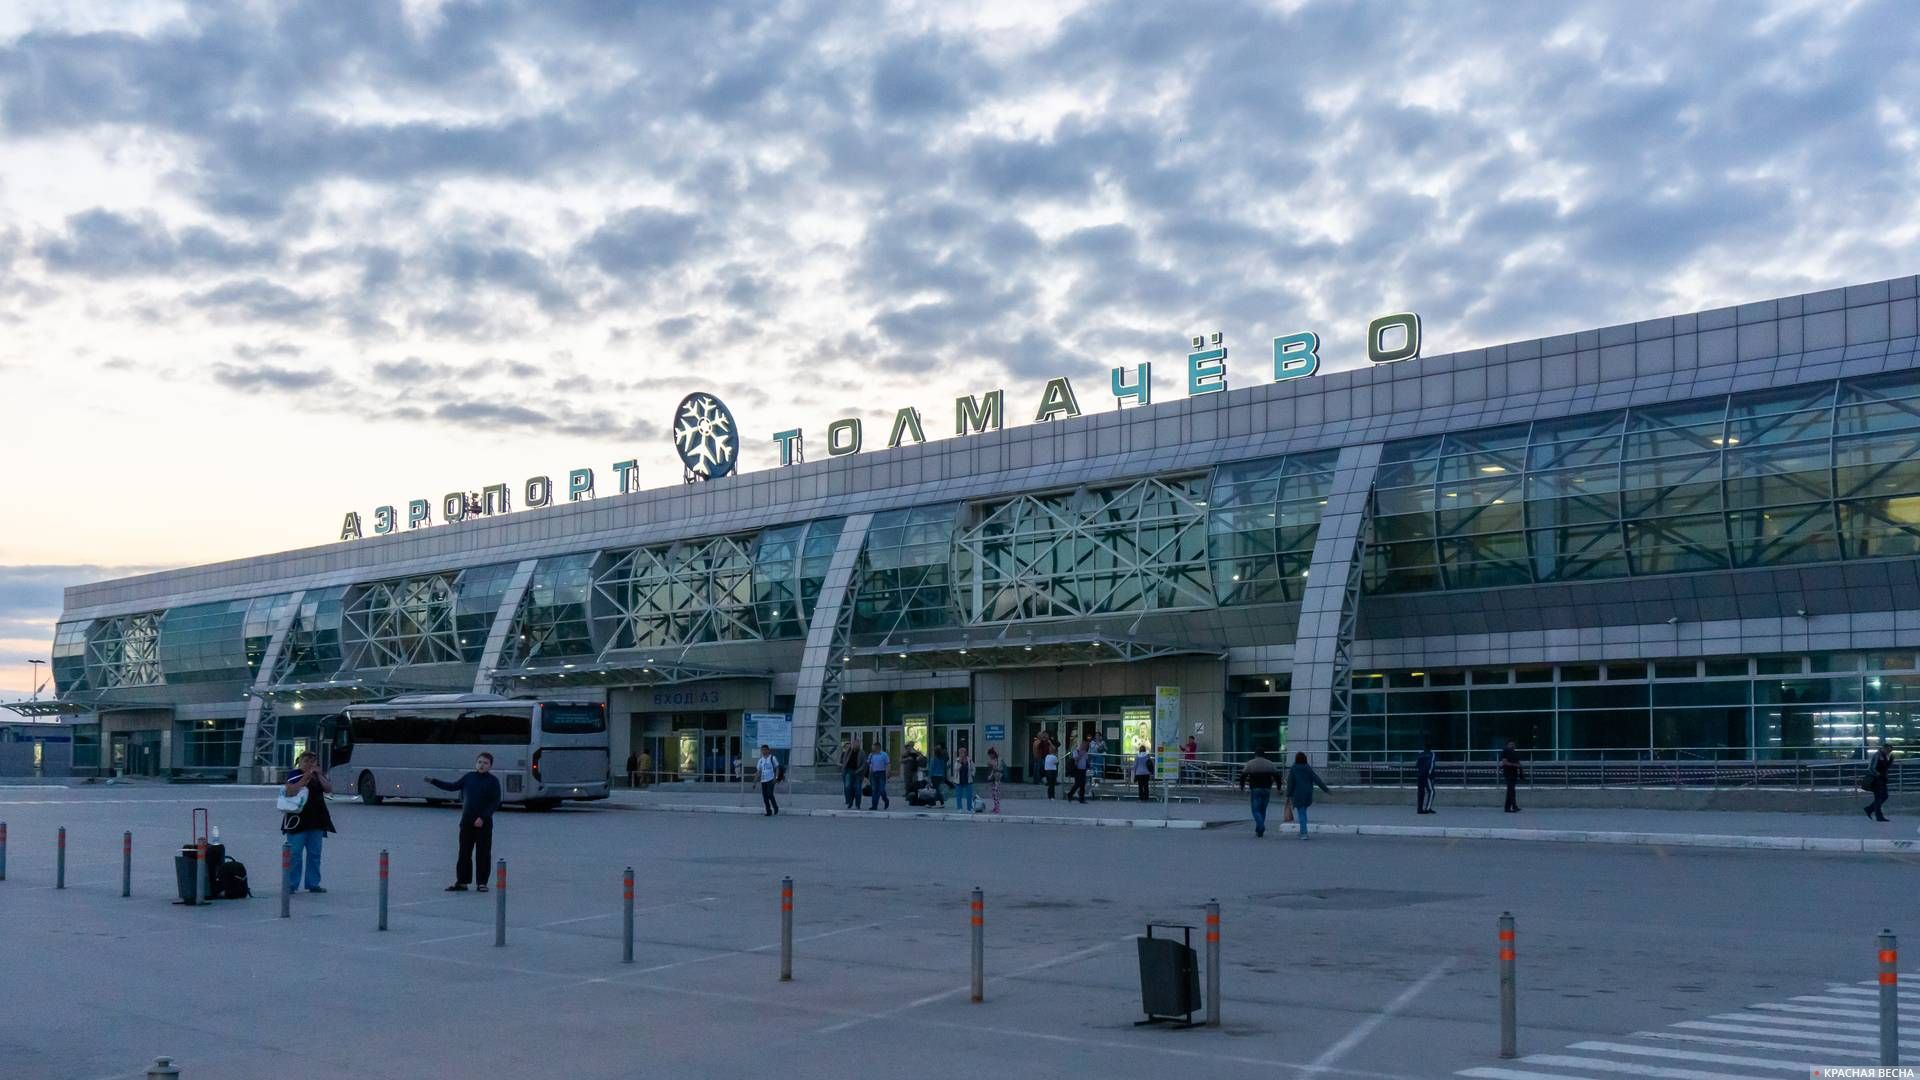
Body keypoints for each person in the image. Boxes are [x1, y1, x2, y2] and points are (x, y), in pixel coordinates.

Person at [428, 752, 503, 891]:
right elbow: (452, 786)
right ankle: (462, 881)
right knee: (464, 852)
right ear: (476, 763)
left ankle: (482, 883)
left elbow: (495, 802)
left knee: (483, 853)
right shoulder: (469, 777)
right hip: (467, 822)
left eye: (485, 763)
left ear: (490, 766)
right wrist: (434, 781)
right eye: (479, 762)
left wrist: (483, 817)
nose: (482, 765)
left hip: (483, 823)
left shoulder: (493, 781)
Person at [280, 750, 335, 894]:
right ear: (300, 762)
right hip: (297, 820)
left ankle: (313, 883)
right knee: (295, 853)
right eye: (306, 761)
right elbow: (291, 790)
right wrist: (306, 776)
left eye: (312, 761)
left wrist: (319, 775)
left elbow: (328, 789)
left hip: (316, 819)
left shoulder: (318, 776)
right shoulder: (294, 774)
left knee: (315, 853)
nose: (309, 764)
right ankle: (291, 884)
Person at [1284, 751, 1330, 839]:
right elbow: (1317, 779)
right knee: (1303, 812)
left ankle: (1304, 833)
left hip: (1298, 794)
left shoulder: (1294, 768)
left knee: (1301, 813)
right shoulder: (1308, 768)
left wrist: (1288, 794)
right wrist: (1326, 789)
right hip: (1308, 794)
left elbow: (1290, 783)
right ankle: (1302, 831)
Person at [1240, 748, 1281, 837]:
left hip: (1255, 789)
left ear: (1256, 755)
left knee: (1255, 810)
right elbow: (1277, 776)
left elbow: (1243, 776)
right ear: (1264, 754)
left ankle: (1261, 826)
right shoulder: (1270, 763)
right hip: (1267, 789)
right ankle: (1259, 829)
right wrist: (1279, 788)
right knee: (1263, 809)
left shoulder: (1250, 763)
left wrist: (1242, 787)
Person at [1865, 741, 1894, 822]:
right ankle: (1878, 815)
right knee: (1879, 797)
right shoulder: (1878, 755)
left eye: (1890, 751)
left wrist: (1890, 761)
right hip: (1877, 779)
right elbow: (1872, 768)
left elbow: (1884, 767)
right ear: (1884, 748)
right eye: (1888, 750)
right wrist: (1878, 775)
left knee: (1883, 796)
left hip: (1881, 779)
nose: (1889, 752)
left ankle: (1870, 809)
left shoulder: (1883, 755)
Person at [756, 744, 782, 816]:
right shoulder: (760, 760)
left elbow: (777, 767)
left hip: (771, 779)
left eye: (765, 750)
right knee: (765, 796)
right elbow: (758, 771)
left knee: (770, 794)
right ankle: (768, 811)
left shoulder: (772, 758)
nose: (764, 751)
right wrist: (755, 782)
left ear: (768, 750)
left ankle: (775, 807)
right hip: (763, 780)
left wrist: (776, 777)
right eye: (762, 750)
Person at [839, 736, 864, 810]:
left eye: (857, 744)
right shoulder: (848, 752)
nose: (855, 745)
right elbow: (844, 761)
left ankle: (857, 804)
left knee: (857, 789)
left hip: (858, 773)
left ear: (859, 745)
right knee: (847, 787)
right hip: (848, 772)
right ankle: (849, 802)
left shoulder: (862, 753)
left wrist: (859, 771)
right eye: (854, 743)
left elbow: (864, 764)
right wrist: (842, 767)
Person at [1500, 740, 1523, 813]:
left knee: (1511, 790)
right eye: (1510, 744)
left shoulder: (1514, 753)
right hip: (1508, 773)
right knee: (1511, 790)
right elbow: (1504, 762)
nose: (1512, 746)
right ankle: (1513, 806)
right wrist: (1515, 765)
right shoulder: (1505, 751)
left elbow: (1518, 762)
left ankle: (1508, 807)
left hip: (1514, 773)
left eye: (1513, 744)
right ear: (1507, 745)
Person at [867, 743, 891, 810]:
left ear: (878, 747)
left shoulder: (884, 754)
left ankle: (886, 800)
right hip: (873, 774)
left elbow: (888, 764)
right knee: (874, 790)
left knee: (881, 789)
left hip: (881, 773)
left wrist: (888, 772)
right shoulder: (871, 755)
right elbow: (869, 764)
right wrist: (869, 775)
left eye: (873, 747)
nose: (872, 748)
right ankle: (874, 806)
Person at [1068, 737, 1092, 804]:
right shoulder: (1076, 751)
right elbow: (1075, 760)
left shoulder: (1085, 753)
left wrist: (1088, 766)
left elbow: (1086, 761)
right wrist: (1080, 754)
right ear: (1081, 745)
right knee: (1077, 783)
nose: (1085, 746)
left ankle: (1081, 798)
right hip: (1077, 769)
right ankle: (1070, 794)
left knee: (1082, 784)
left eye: (1086, 745)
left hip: (1083, 770)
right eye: (1084, 745)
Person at [1416, 744, 1437, 815]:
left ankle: (1419, 809)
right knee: (1431, 791)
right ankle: (1427, 808)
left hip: (1420, 774)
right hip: (1426, 775)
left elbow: (1417, 764)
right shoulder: (1432, 754)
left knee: (1421, 792)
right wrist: (1430, 774)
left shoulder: (1420, 754)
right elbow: (1431, 764)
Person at [953, 747, 975, 813]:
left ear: (965, 753)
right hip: (959, 780)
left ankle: (969, 808)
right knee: (959, 795)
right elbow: (956, 769)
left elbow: (973, 768)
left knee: (969, 795)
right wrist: (960, 762)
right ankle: (959, 808)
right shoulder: (957, 760)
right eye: (960, 752)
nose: (962, 754)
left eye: (963, 752)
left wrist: (972, 774)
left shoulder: (969, 760)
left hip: (968, 779)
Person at [985, 747, 1004, 813]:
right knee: (993, 794)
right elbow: (992, 770)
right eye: (989, 755)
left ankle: (997, 808)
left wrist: (992, 764)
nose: (990, 756)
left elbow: (997, 768)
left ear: (993, 754)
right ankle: (995, 807)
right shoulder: (993, 760)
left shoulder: (999, 759)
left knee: (996, 793)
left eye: (990, 754)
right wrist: (990, 775)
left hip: (997, 778)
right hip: (993, 778)